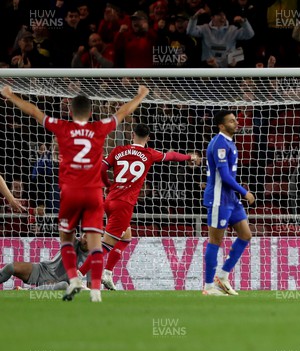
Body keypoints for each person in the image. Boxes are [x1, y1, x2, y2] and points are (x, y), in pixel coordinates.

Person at [1, 84, 149, 302]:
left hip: (70, 192)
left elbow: (34, 111)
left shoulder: (63, 127)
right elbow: (122, 112)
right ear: (91, 113)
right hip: (92, 192)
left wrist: (11, 95)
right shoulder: (98, 128)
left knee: (67, 241)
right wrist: (140, 96)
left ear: (70, 112)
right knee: (98, 242)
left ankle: (73, 279)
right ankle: (95, 289)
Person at [78, 123, 198, 290]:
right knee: (106, 245)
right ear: (148, 138)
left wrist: (108, 185)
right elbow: (171, 156)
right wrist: (188, 157)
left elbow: (101, 170)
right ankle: (78, 275)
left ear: (132, 135)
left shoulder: (118, 150)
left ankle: (107, 273)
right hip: (124, 204)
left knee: (126, 237)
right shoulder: (149, 153)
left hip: (110, 200)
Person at [203, 110, 256, 296]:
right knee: (215, 240)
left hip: (230, 198)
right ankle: (209, 287)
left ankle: (223, 275)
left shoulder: (230, 143)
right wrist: (245, 192)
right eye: (232, 121)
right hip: (219, 198)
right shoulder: (219, 143)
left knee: (245, 235)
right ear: (221, 126)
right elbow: (224, 176)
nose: (236, 123)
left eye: (236, 120)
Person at [0, 234, 89, 290]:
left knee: (64, 285)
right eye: (85, 236)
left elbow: (91, 287)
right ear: (81, 236)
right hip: (44, 270)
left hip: (59, 284)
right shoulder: (72, 242)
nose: (86, 241)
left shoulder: (92, 259)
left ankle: (26, 292)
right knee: (10, 267)